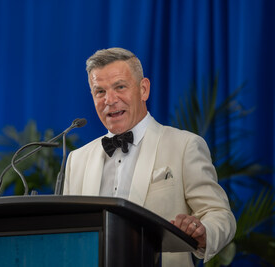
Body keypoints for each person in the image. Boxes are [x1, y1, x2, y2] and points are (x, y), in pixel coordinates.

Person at [63, 47, 236, 266]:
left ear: (143, 89)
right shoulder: (76, 160)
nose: (110, 99)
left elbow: (219, 214)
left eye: (120, 87)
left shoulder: (184, 146)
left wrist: (203, 231)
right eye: (100, 91)